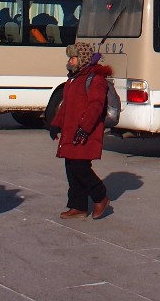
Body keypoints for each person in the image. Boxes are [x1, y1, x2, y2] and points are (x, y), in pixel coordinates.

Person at [49, 45, 113, 218]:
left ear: (82, 59)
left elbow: (96, 106)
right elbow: (66, 106)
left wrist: (84, 129)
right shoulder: (73, 78)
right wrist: (55, 124)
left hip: (86, 131)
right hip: (71, 131)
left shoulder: (95, 79)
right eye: (70, 58)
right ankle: (78, 206)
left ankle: (100, 196)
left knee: (80, 167)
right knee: (71, 167)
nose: (70, 61)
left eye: (73, 58)